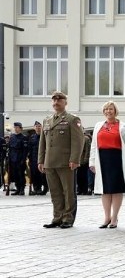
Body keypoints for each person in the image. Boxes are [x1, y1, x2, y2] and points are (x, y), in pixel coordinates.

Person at [38, 91, 85, 228]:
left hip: (66, 162)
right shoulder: (47, 120)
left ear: (65, 102)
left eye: (59, 100)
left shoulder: (72, 119)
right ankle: (57, 216)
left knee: (68, 191)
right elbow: (43, 143)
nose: (56, 102)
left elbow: (78, 141)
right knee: (55, 191)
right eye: (54, 100)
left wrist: (75, 159)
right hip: (50, 162)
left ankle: (68, 218)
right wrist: (41, 160)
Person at [89, 101, 125, 228]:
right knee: (104, 189)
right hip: (102, 159)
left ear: (115, 111)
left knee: (116, 189)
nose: (108, 111)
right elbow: (94, 145)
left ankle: (115, 217)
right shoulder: (98, 126)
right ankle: (107, 217)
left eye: (111, 109)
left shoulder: (123, 126)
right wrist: (92, 161)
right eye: (106, 109)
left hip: (117, 159)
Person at [8, 122, 28, 195]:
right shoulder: (12, 137)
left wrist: (23, 159)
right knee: (15, 175)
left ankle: (22, 189)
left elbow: (25, 150)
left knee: (21, 175)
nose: (16, 129)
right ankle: (18, 188)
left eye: (17, 127)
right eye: (15, 127)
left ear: (21, 128)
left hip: (20, 159)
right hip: (13, 159)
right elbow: (10, 148)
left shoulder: (24, 137)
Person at [27, 121, 46, 195]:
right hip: (34, 158)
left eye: (39, 126)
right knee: (34, 174)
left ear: (42, 127)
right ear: (34, 128)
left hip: (43, 158)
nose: (38, 128)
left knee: (43, 174)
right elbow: (29, 148)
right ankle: (36, 188)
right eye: (36, 126)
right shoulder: (32, 137)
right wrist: (29, 158)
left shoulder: (44, 136)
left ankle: (44, 188)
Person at [77, 130, 92, 195]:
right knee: (79, 176)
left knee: (84, 175)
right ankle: (80, 189)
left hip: (83, 160)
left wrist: (86, 159)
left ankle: (84, 189)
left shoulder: (86, 139)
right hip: (78, 160)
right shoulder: (78, 138)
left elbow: (87, 150)